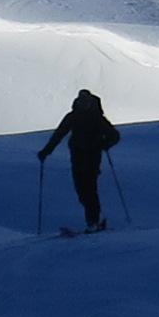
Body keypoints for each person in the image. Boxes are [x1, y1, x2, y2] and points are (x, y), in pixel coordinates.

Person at [37, 90, 122, 232]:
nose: (84, 104)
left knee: (89, 189)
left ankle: (93, 222)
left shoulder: (96, 118)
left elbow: (114, 135)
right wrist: (46, 151)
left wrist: (103, 145)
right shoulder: (75, 117)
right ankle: (95, 221)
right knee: (82, 191)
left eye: (86, 101)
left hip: (91, 158)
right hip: (78, 157)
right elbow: (59, 134)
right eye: (82, 101)